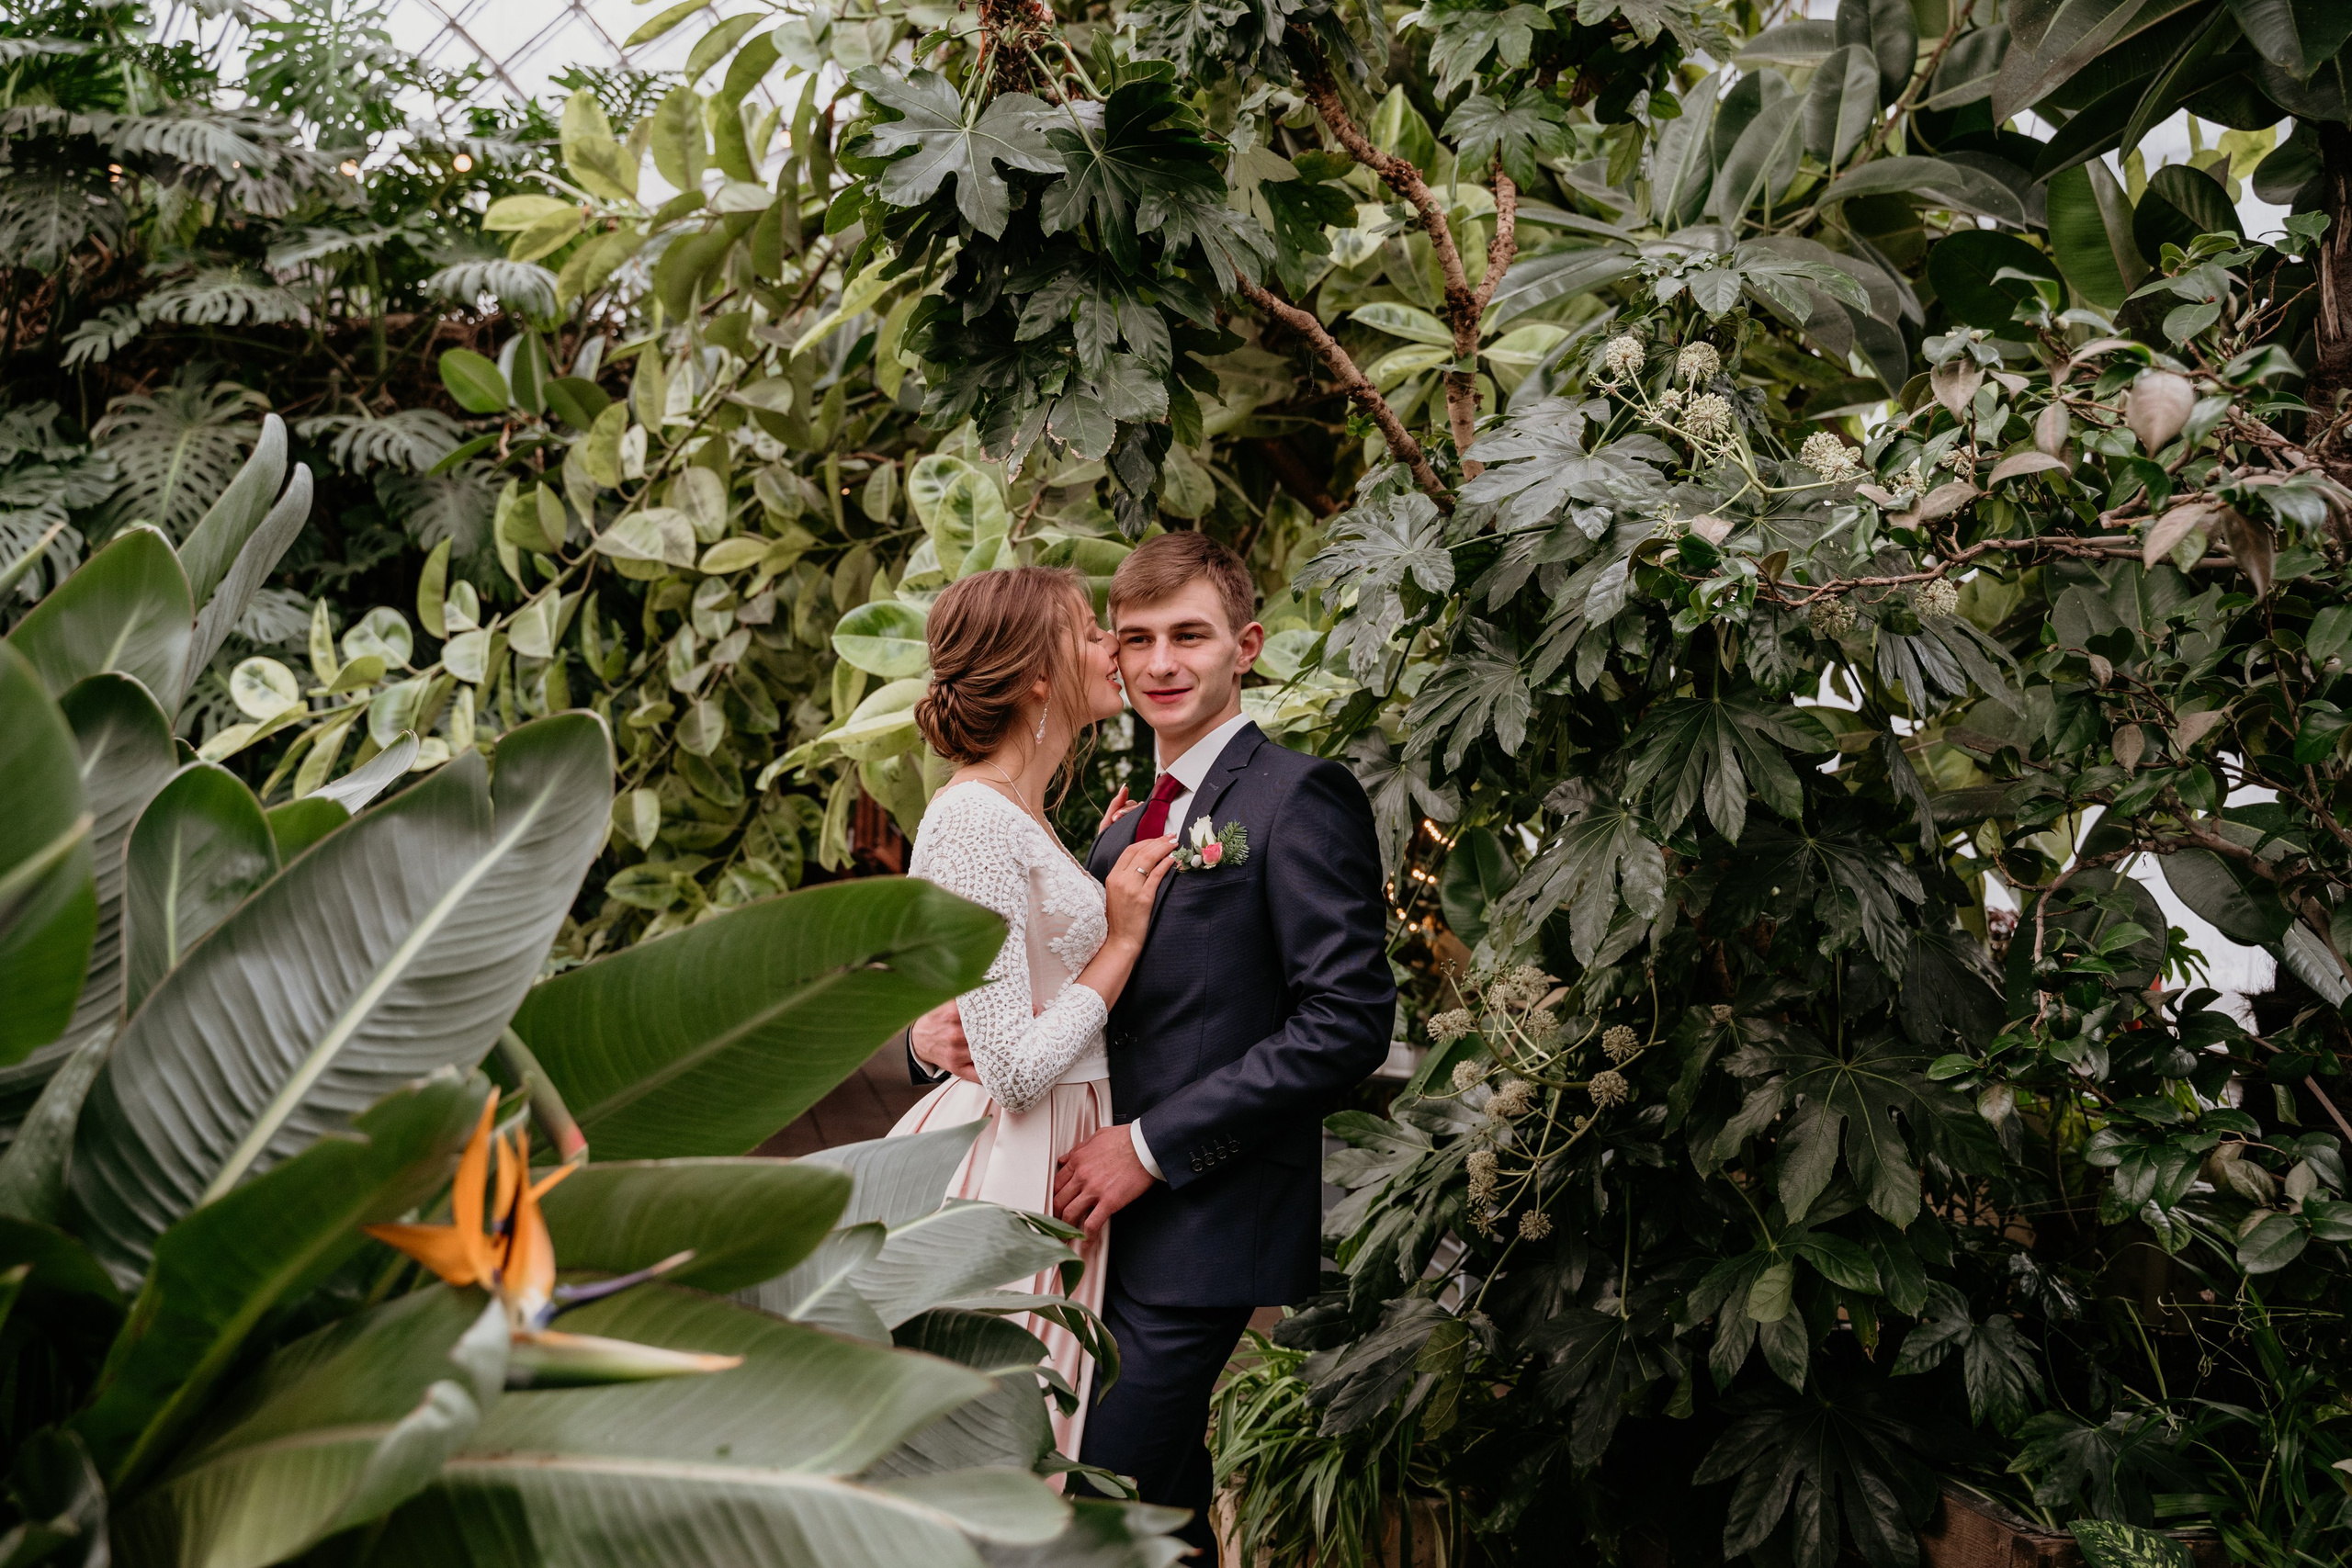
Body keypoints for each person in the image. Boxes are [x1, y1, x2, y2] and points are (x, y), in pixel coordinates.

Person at [909, 534, 1396, 1554]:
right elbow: (1046, 996)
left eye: (1190, 636)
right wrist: (933, 1036)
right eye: (1134, 638)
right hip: (1071, 1219)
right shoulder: (1109, 828)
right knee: (1157, 1511)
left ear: (1244, 648)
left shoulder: (1296, 796)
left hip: (1195, 1220)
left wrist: (1146, 1146)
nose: (1160, 662)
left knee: (1095, 1507)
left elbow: (1346, 1021)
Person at [884, 565, 1178, 1466]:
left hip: (1058, 1143)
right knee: (1002, 1452)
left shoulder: (1021, 813)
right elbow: (1011, 1068)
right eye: (1089, 630)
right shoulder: (975, 817)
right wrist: (1119, 939)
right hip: (1012, 1158)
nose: (1112, 645)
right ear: (1038, 675)